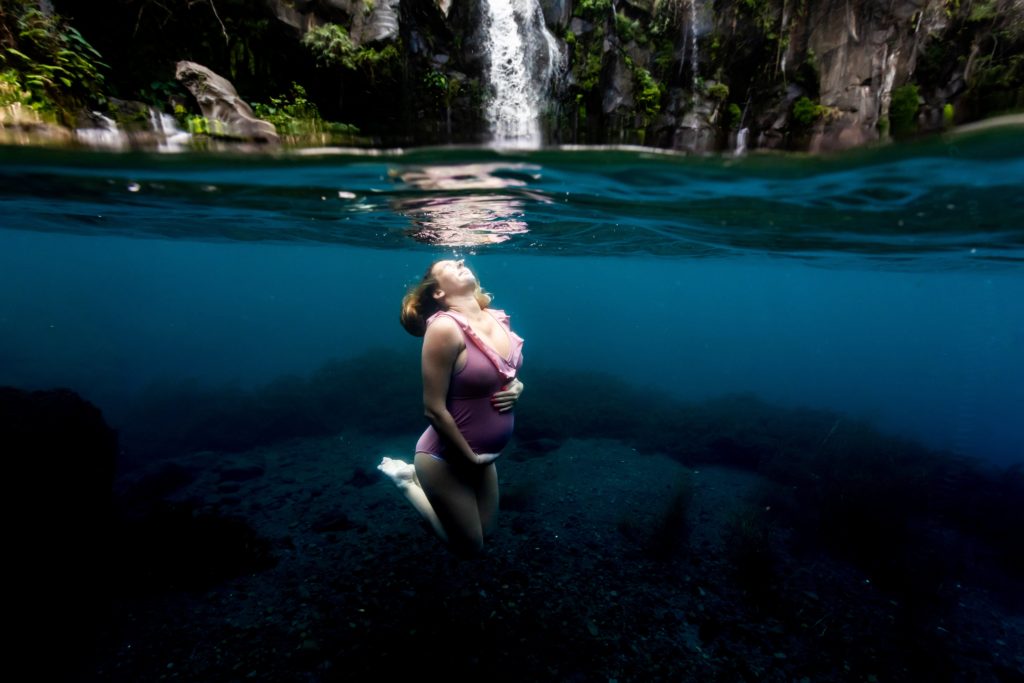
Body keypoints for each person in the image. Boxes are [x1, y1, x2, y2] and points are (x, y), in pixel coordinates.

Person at [379, 259, 524, 556]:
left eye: (459, 259)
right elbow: (433, 409)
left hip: (483, 458)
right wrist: (470, 458)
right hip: (447, 457)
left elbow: (502, 371)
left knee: (489, 532)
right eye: (447, 264)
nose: (460, 259)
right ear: (437, 293)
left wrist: (518, 387)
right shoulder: (444, 329)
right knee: (470, 548)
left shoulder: (497, 318)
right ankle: (406, 482)